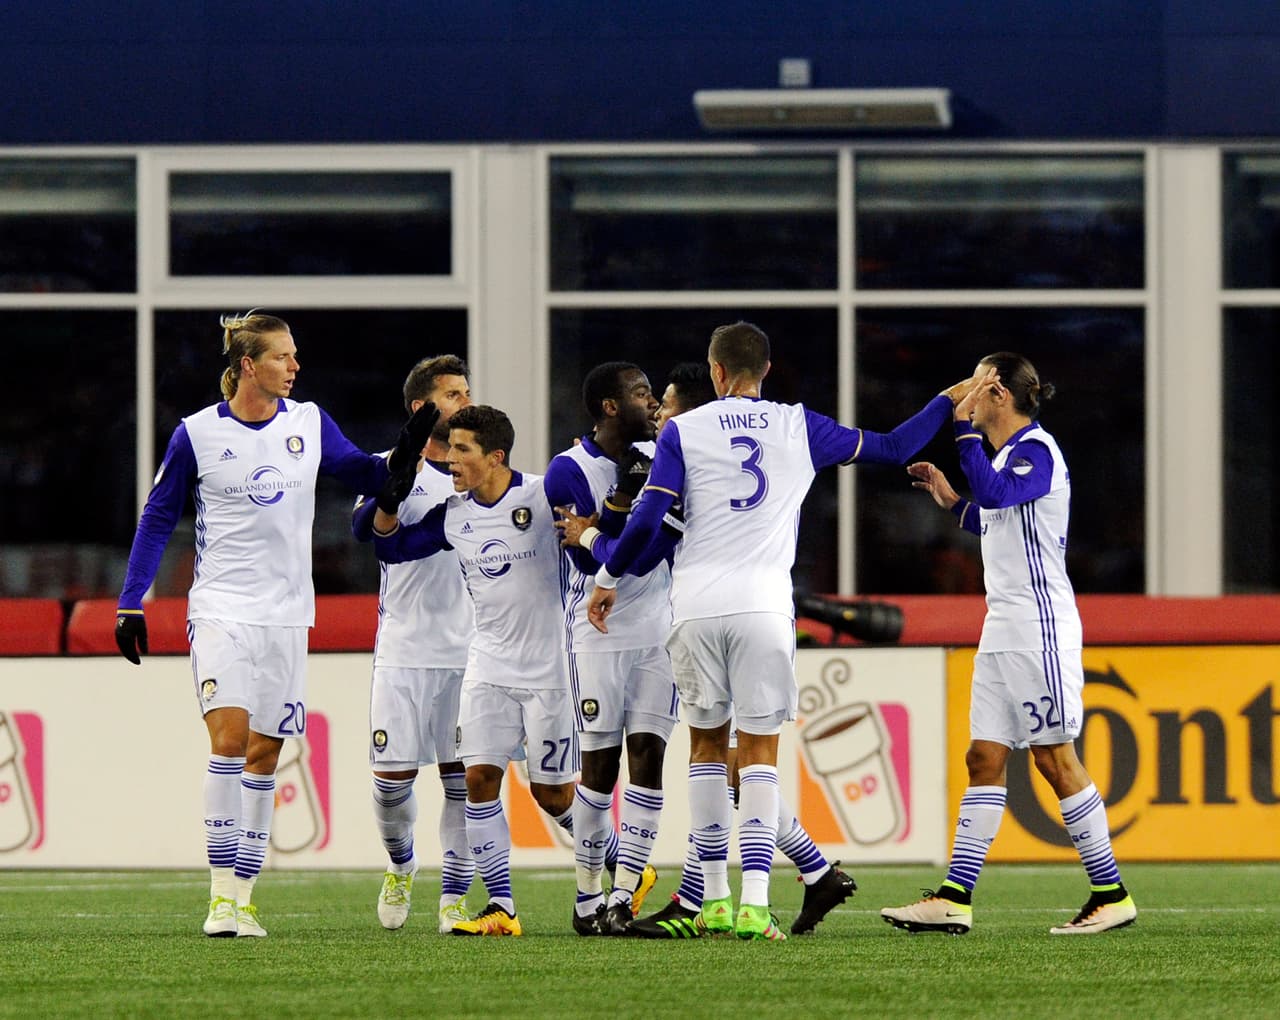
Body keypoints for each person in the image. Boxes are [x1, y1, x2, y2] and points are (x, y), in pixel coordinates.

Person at [582, 322, 980, 941]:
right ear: (765, 371)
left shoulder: (685, 429)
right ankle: (755, 903)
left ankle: (712, 900)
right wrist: (946, 400)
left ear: (715, 374)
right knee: (761, 754)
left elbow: (651, 514)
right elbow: (894, 446)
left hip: (695, 607)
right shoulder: (800, 425)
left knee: (709, 750)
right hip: (764, 607)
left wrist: (606, 575)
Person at [113, 311, 434, 938]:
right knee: (229, 742)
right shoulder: (197, 433)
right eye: (284, 357)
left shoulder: (310, 423)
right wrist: (131, 601)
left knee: (265, 755)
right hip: (221, 608)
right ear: (248, 366)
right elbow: (157, 518)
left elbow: (364, 473)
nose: (295, 366)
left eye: (295, 356)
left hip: (288, 616)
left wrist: (406, 452)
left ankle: (244, 895)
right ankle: (218, 899)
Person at [881, 352, 1137, 936]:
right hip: (1004, 627)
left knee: (1053, 756)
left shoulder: (1037, 450)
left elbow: (998, 496)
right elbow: (997, 517)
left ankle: (1111, 892)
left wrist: (964, 433)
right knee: (984, 758)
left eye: (974, 382)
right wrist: (951, 500)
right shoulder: (1008, 458)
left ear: (995, 391)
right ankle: (954, 897)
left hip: (1037, 628)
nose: (964, 393)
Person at [367, 405, 578, 937]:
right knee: (478, 780)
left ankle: (623, 866)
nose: (451, 460)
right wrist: (389, 498)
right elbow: (390, 546)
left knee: (553, 796)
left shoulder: (541, 494)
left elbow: (594, 536)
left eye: (462, 450)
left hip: (552, 668)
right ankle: (501, 905)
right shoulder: (454, 513)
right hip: (485, 665)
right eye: (449, 448)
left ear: (496, 456)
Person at [350, 355, 477, 933]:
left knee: (462, 781)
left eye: (467, 391)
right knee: (392, 784)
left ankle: (453, 897)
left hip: (468, 650)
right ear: (421, 408)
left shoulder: (481, 467)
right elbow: (362, 534)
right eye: (453, 394)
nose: (465, 403)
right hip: (403, 649)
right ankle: (401, 863)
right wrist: (388, 499)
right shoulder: (387, 465)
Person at [543, 362, 668, 936]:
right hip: (596, 636)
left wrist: (602, 528)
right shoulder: (567, 470)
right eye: (641, 392)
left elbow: (648, 550)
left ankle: (622, 897)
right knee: (598, 770)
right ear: (611, 406)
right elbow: (588, 561)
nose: (652, 399)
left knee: (648, 759)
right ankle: (586, 896)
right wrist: (619, 506)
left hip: (657, 630)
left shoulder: (668, 454)